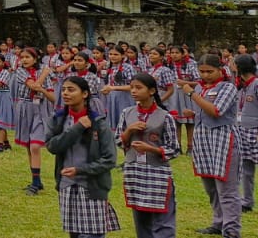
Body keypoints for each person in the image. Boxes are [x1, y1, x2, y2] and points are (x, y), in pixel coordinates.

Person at [47, 76, 120, 238]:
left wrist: (80, 170)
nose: (65, 93)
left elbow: (109, 159)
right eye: (64, 89)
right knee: (75, 234)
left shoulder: (98, 122)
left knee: (92, 234)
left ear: (85, 94)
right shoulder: (58, 119)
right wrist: (78, 127)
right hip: (67, 186)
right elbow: (52, 146)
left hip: (93, 187)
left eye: (71, 90)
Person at [189, 53, 241, 238]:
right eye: (201, 72)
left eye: (209, 71)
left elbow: (216, 111)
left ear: (220, 69)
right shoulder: (203, 89)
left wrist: (191, 95)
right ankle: (218, 222)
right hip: (204, 141)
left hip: (223, 140)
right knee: (211, 187)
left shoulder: (227, 87)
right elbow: (204, 112)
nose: (205, 75)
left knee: (227, 190)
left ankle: (232, 230)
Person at [121, 72, 178, 238]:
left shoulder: (164, 116)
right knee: (140, 216)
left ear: (152, 91)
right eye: (132, 87)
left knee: (163, 219)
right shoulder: (127, 113)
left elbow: (174, 148)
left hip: (157, 172)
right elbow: (119, 141)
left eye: (138, 88)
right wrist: (129, 130)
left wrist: (151, 148)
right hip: (134, 171)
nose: (133, 91)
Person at [235, 55, 258, 213]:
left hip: (255, 130)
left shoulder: (256, 85)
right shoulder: (243, 87)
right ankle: (247, 200)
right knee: (246, 167)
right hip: (243, 129)